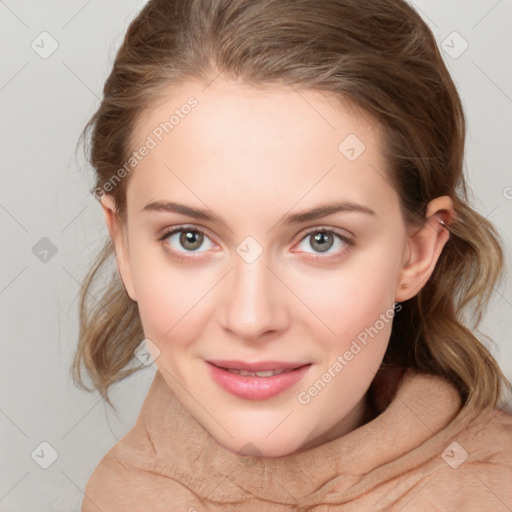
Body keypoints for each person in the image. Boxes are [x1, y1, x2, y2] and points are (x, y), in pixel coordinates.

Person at [73, 0, 512, 510]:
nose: (251, 317)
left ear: (416, 253)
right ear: (123, 245)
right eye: (189, 237)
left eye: (322, 240)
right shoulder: (120, 494)